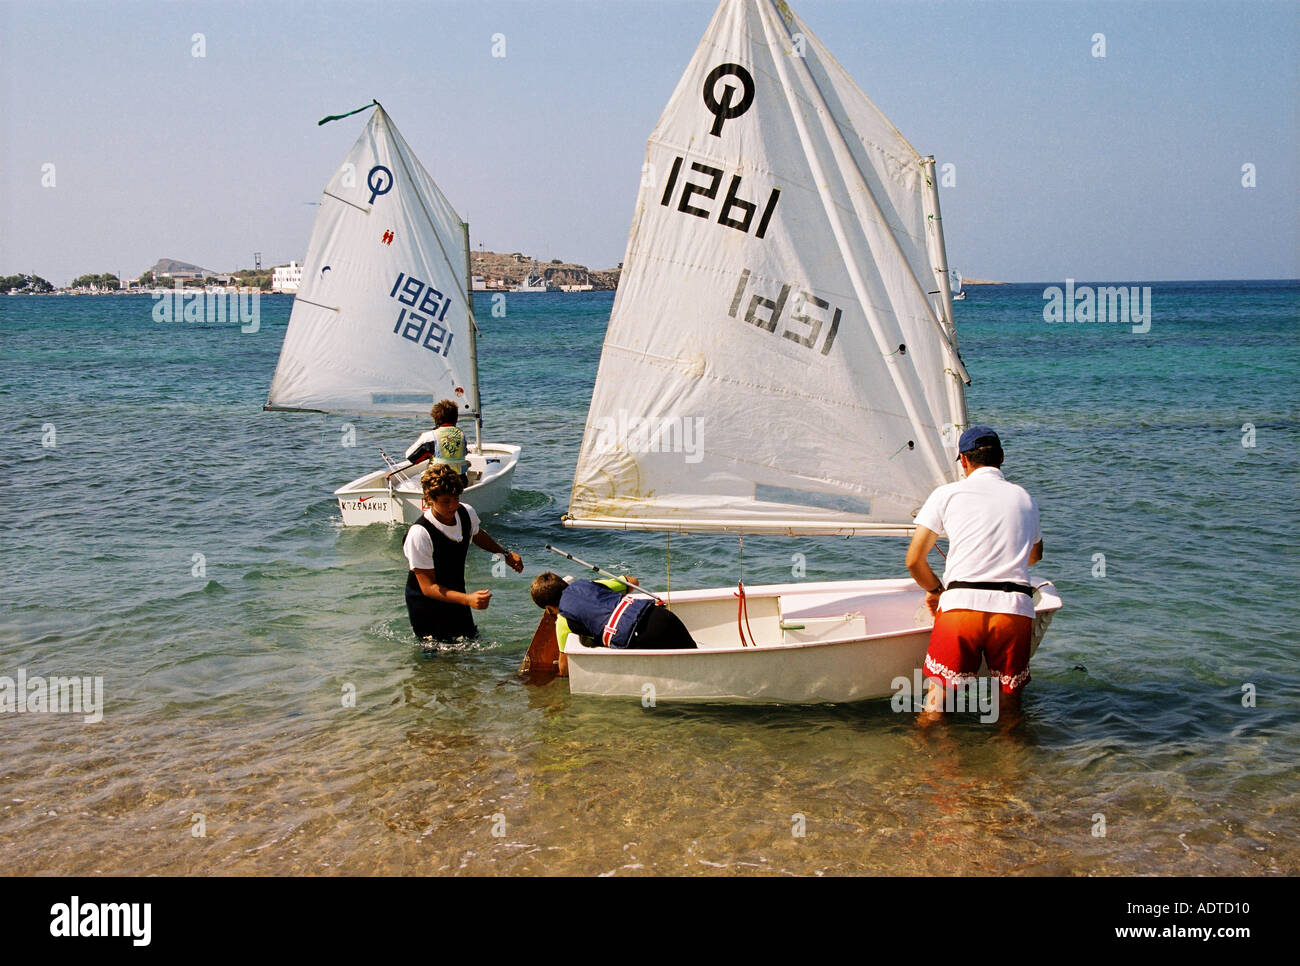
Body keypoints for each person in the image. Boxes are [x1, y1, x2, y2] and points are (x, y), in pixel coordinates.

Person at [904, 425, 1043, 722]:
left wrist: (936, 591)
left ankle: (926, 764)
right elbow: (1034, 556)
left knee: (936, 705)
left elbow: (915, 561)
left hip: (961, 609)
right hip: (1012, 611)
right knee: (1009, 707)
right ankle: (1012, 763)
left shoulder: (946, 494)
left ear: (963, 461)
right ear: (1001, 458)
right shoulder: (1024, 499)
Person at [403, 463, 522, 642]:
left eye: (456, 498)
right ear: (429, 499)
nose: (452, 506)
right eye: (445, 501)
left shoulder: (465, 512)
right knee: (438, 655)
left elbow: (476, 534)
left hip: (456, 593)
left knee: (470, 641)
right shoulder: (420, 534)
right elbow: (428, 588)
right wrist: (468, 600)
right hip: (427, 604)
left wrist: (504, 554)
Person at [529, 571, 697, 676]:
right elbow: (633, 582)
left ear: (550, 608)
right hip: (661, 615)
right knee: (696, 660)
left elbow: (565, 669)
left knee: (686, 673)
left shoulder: (563, 620)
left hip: (641, 635)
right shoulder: (590, 584)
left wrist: (559, 674)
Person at [406, 399, 469, 486]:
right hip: (460, 482)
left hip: (438, 483)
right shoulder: (461, 435)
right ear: (455, 418)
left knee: (413, 480)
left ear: (435, 418)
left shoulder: (429, 436)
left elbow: (410, 457)